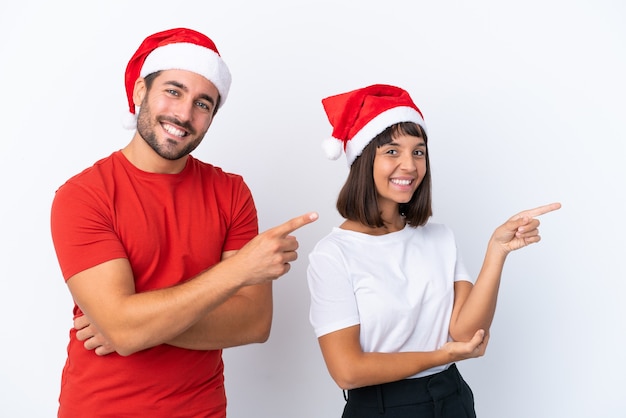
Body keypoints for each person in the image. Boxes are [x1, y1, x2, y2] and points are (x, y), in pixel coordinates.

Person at [50, 27, 317, 418]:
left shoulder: (231, 193)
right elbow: (124, 329)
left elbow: (254, 323)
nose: (184, 114)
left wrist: (135, 323)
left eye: (203, 104)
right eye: (173, 91)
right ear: (141, 92)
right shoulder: (84, 195)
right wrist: (237, 271)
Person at [307, 84, 560, 418]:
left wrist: (497, 251)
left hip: (451, 398)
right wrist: (441, 357)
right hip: (382, 406)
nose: (410, 166)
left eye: (419, 152)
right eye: (392, 152)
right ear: (363, 159)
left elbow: (467, 333)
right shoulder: (333, 254)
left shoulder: (440, 238)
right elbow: (347, 371)